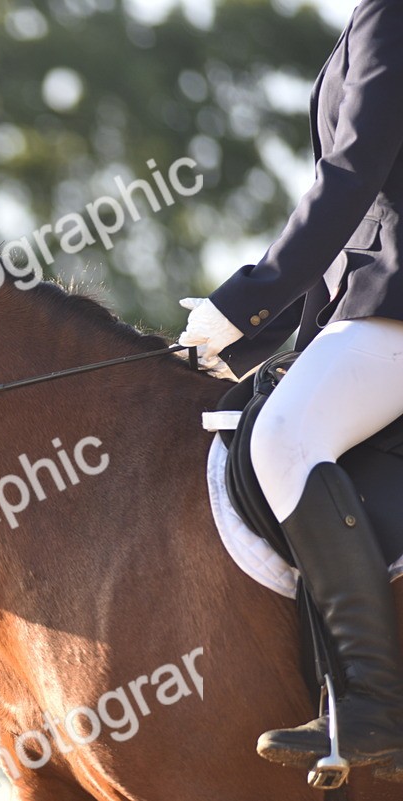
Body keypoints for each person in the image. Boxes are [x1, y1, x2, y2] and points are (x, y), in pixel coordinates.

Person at [177, 0, 403, 780]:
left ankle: (372, 710)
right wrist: (260, 336)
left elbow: (352, 175)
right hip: (371, 299)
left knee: (284, 438)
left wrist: (247, 299)